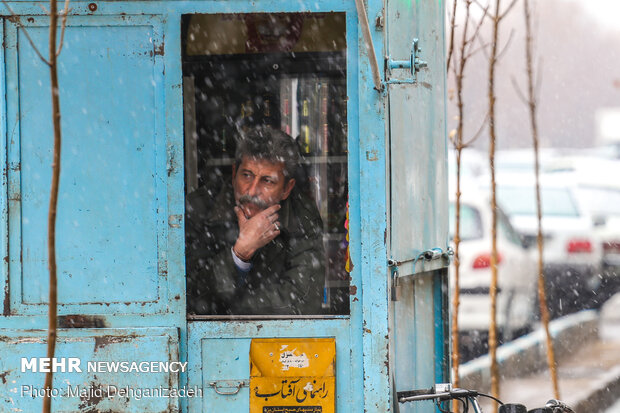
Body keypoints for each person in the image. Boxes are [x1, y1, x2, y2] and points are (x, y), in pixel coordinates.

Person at [186, 126, 325, 315]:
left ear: (287, 188)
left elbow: (302, 302)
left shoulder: (302, 217)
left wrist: (226, 309)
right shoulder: (199, 209)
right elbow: (187, 295)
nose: (251, 191)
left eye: (267, 181)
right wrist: (240, 252)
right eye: (246, 175)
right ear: (234, 173)